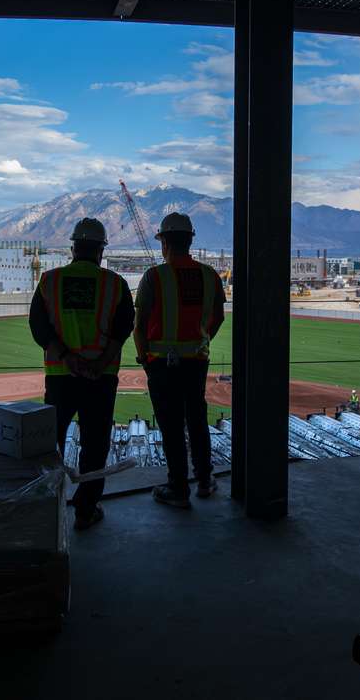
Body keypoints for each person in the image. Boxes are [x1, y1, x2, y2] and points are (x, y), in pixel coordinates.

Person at [29, 218, 134, 531]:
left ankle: (47, 505)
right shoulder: (115, 284)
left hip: (61, 377)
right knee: (95, 444)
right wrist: (100, 362)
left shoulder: (50, 281)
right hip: (100, 379)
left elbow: (39, 327)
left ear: (73, 247)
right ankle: (86, 510)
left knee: (50, 442)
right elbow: (123, 327)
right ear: (101, 250)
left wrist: (67, 358)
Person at [134, 212, 226, 509]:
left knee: (171, 424)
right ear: (189, 241)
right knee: (196, 419)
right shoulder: (210, 275)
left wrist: (145, 357)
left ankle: (178, 487)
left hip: (161, 363)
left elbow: (140, 324)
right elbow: (218, 317)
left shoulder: (154, 276)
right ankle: (204, 480)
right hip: (196, 361)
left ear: (164, 243)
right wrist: (202, 340)